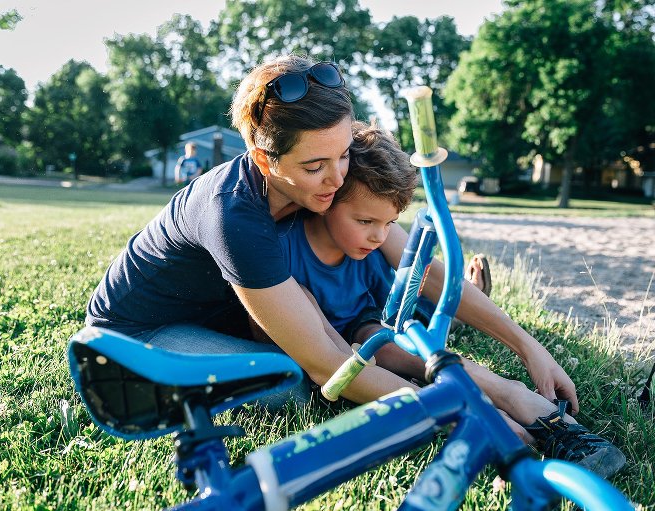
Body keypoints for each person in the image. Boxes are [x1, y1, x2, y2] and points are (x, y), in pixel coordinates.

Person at [84, 54, 613, 471]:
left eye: (342, 155)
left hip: (233, 317)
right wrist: (464, 414)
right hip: (139, 339)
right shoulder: (232, 214)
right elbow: (330, 365)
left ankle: (518, 401)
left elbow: (423, 269)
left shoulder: (324, 182)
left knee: (367, 350)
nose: (337, 178)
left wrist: (526, 347)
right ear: (265, 159)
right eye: (316, 165)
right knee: (295, 386)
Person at [270, 120, 625, 477]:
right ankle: (489, 401)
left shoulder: (375, 232)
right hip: (331, 332)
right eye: (365, 221)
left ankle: (514, 394)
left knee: (407, 337)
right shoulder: (281, 257)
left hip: (380, 314)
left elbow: (439, 278)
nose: (379, 235)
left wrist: (530, 347)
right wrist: (462, 408)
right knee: (381, 350)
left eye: (390, 223)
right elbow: (339, 361)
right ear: (326, 200)